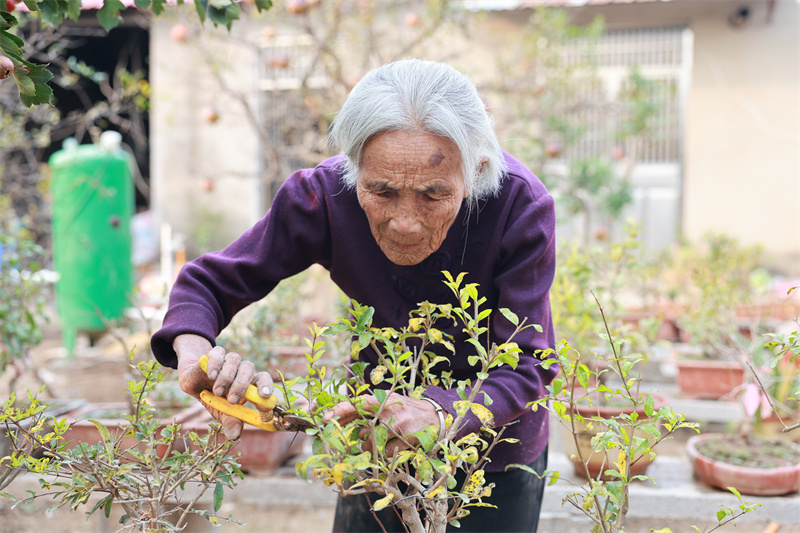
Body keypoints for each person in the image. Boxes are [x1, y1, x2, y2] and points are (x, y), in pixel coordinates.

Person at [151, 59, 557, 532]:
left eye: (432, 195)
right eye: (381, 191)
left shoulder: (519, 207)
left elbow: (527, 363)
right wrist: (194, 351)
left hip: (494, 446)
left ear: (476, 169)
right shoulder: (323, 197)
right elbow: (208, 283)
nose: (405, 221)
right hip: (374, 436)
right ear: (352, 168)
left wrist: (441, 413)